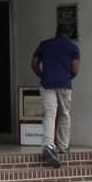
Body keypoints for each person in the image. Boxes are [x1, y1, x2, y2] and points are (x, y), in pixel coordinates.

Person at [30, 24, 80, 168]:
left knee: (50, 113)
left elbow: (33, 63)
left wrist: (42, 75)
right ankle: (63, 146)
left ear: (56, 32)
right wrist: (67, 77)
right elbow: (75, 69)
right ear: (69, 33)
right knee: (64, 113)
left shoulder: (44, 45)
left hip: (47, 83)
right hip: (64, 84)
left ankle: (48, 146)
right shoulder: (73, 47)